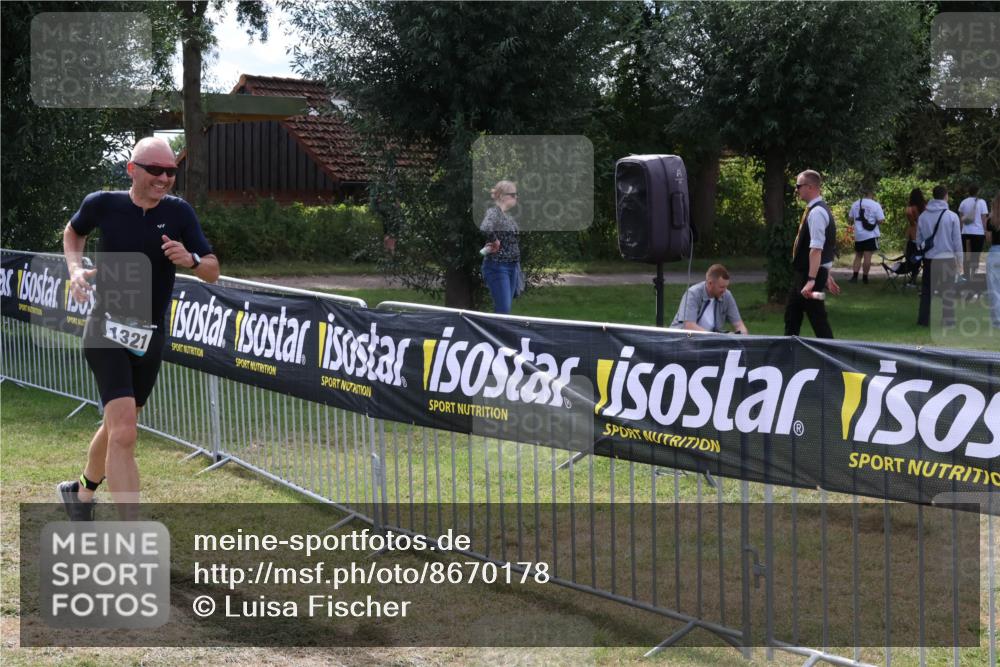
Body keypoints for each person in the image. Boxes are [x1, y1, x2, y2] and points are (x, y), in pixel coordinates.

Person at [59, 137, 220, 520]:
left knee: (119, 425)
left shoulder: (180, 213)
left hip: (150, 334)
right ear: (132, 169)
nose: (164, 178)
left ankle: (80, 493)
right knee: (126, 431)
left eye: (170, 172)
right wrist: (75, 269)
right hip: (105, 328)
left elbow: (213, 270)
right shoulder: (103, 203)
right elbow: (73, 232)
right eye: (155, 170)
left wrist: (192, 259)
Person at [784, 169, 841, 338]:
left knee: (818, 319)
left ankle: (832, 358)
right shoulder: (816, 210)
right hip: (807, 274)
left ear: (809, 187)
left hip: (809, 276)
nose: (796, 189)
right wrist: (827, 275)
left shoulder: (817, 212)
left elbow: (817, 249)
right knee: (792, 315)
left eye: (798, 186)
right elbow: (826, 248)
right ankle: (787, 354)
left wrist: (811, 280)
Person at [916, 184, 962, 327]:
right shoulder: (952, 216)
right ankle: (948, 321)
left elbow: (919, 241)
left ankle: (923, 321)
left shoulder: (923, 216)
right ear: (945, 196)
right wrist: (960, 260)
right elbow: (957, 241)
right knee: (947, 291)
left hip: (930, 259)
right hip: (947, 259)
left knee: (926, 292)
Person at [480, 180, 522, 314]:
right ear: (503, 196)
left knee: (505, 311)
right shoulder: (494, 212)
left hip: (512, 266)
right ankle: (493, 334)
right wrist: (495, 240)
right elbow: (485, 227)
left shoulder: (507, 216)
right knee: (503, 310)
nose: (517, 197)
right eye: (514, 194)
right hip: (498, 267)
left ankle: (496, 334)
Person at [670, 264, 749, 334]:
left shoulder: (727, 295)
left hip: (709, 341)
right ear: (710, 283)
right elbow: (689, 326)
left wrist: (743, 338)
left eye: (726, 287)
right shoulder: (693, 294)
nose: (724, 290)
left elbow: (739, 325)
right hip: (682, 341)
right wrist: (716, 337)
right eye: (722, 287)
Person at [848, 189, 885, 284]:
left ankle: (854, 277)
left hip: (858, 234)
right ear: (871, 194)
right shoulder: (876, 205)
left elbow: (850, 218)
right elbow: (881, 220)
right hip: (870, 234)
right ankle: (865, 278)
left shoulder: (855, 203)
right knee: (867, 257)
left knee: (858, 256)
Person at [958, 185, 989, 280]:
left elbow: (961, 219)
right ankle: (973, 275)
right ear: (978, 192)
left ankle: (966, 275)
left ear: (969, 192)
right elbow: (984, 219)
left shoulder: (963, 202)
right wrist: (986, 231)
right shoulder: (982, 202)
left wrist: (961, 231)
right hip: (978, 233)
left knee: (966, 254)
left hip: (966, 233)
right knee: (975, 255)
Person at [904, 188, 926, 285]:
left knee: (912, 258)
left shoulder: (910, 208)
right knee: (923, 257)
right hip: (925, 234)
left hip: (914, 235)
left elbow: (911, 222)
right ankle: (926, 278)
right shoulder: (926, 207)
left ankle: (913, 277)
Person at [988, 192, 1000, 328]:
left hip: (995, 253)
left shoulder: (991, 220)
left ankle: (997, 322)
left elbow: (989, 239)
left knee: (995, 290)